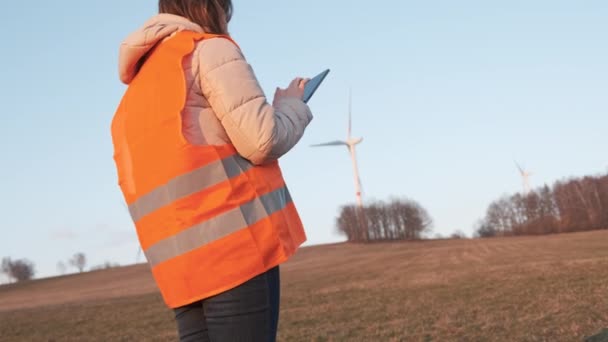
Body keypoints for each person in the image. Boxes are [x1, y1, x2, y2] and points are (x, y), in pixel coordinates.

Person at [111, 0, 313, 341]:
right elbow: (262, 140)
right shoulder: (209, 51)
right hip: (235, 253)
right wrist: (292, 105)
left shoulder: (137, 92)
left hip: (180, 271)